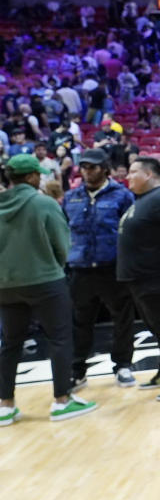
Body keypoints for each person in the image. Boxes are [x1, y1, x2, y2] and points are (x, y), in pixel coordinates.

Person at [0, 155, 98, 425]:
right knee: (59, 338)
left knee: (10, 344)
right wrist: (51, 266)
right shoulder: (43, 203)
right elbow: (62, 245)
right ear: (31, 177)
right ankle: (61, 401)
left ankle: (5, 405)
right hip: (45, 281)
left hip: (6, 286)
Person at [62, 147, 136, 389]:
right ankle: (77, 369)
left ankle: (123, 365)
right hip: (80, 269)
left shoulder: (122, 195)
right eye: (83, 167)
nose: (86, 172)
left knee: (121, 319)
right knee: (78, 321)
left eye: (91, 167)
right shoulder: (71, 197)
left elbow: (130, 231)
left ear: (105, 168)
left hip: (112, 268)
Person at [117, 157, 160, 401]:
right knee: (158, 328)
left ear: (150, 174)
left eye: (133, 172)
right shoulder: (144, 201)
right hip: (141, 280)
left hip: (158, 278)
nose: (128, 177)